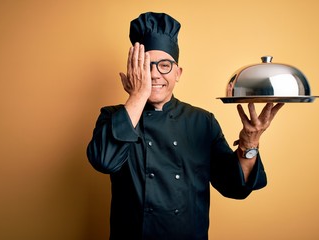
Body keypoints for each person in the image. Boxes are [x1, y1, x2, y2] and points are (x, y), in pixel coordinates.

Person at [87, 12, 284, 240]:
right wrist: (138, 96)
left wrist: (249, 144)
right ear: (133, 71)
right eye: (145, 66)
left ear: (178, 73)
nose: (154, 74)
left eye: (164, 65)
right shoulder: (113, 116)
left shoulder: (202, 121)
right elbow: (104, 161)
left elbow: (235, 187)